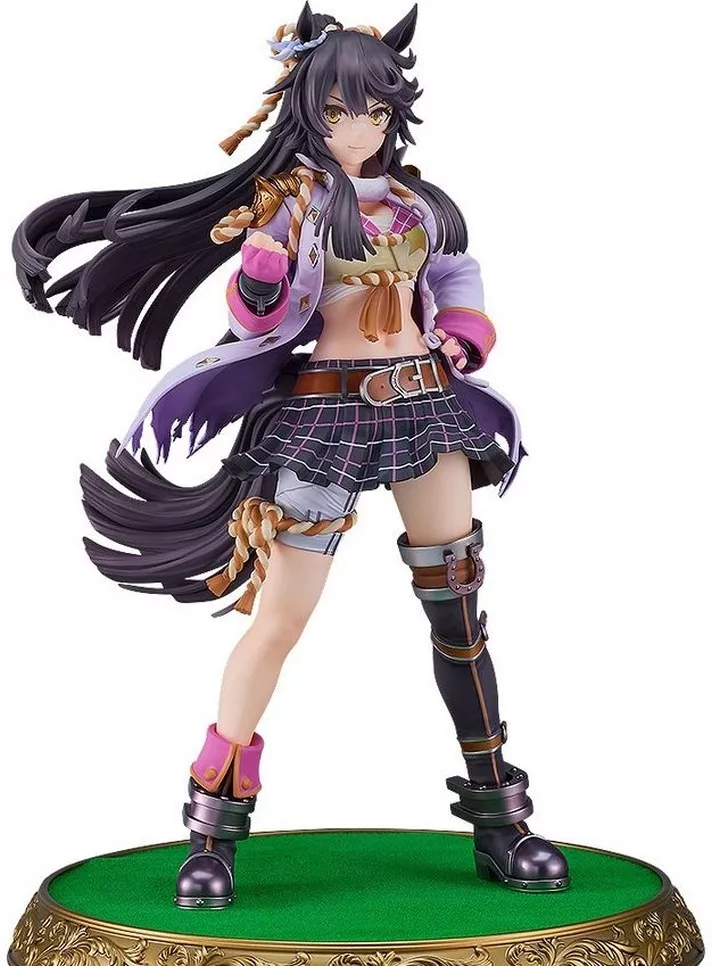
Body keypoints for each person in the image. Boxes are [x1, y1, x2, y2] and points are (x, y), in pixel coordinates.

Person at [13, 3, 569, 908]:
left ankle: (500, 820)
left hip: (423, 405)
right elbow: (254, 318)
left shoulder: (419, 204)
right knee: (278, 620)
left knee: (458, 610)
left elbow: (454, 275)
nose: (361, 130)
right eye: (341, 112)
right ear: (311, 110)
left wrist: (463, 333)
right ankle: (212, 828)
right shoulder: (293, 203)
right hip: (327, 415)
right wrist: (263, 272)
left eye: (377, 113)